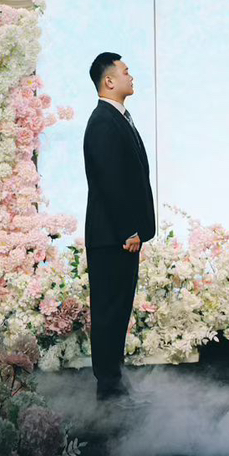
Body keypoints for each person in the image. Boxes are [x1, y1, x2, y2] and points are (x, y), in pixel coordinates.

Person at [83, 52, 155, 403]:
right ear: (109, 81)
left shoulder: (117, 117)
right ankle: (108, 390)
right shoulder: (103, 121)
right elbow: (110, 181)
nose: (131, 76)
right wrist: (129, 230)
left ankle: (115, 382)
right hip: (112, 237)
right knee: (109, 312)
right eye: (126, 72)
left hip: (119, 236)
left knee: (118, 310)